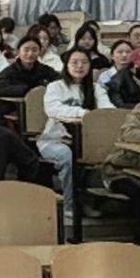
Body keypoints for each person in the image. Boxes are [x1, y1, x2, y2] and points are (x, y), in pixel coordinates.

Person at [39, 49, 113, 215]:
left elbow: (107, 110)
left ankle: (88, 203)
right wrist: (85, 113)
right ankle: (69, 205)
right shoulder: (55, 87)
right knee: (68, 157)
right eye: (74, 62)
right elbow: (53, 109)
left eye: (84, 62)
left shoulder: (96, 88)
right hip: (54, 140)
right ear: (66, 65)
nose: (79, 66)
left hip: (86, 141)